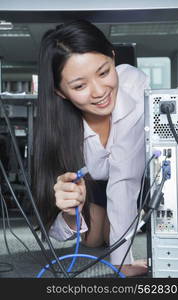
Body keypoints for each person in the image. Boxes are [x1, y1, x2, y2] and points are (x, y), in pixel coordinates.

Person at [34, 19, 149, 277]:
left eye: (104, 72)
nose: (99, 92)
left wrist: (123, 263)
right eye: (79, 86)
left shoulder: (134, 84)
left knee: (116, 232)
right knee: (93, 240)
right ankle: (98, 215)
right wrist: (70, 214)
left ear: (113, 57)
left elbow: (125, 180)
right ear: (61, 92)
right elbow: (53, 230)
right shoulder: (56, 130)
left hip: (139, 179)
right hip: (93, 186)